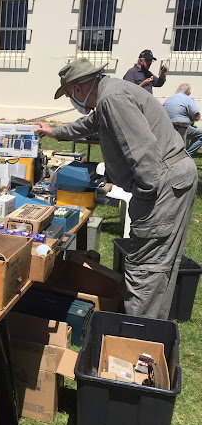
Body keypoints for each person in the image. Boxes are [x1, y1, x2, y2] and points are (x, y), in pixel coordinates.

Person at [36, 58, 197, 320]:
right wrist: (54, 132)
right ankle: (152, 330)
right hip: (171, 179)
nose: (71, 101)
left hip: (161, 184)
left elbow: (144, 155)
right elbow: (89, 125)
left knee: (146, 268)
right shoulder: (109, 94)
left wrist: (143, 198)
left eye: (68, 95)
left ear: (77, 88)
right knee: (157, 266)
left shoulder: (112, 99)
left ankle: (137, 335)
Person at [163, 83, 202, 157]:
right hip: (182, 126)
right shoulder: (187, 99)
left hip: (168, 126)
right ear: (187, 91)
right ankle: (186, 155)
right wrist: (195, 119)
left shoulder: (169, 99)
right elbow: (196, 115)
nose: (190, 93)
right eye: (190, 91)